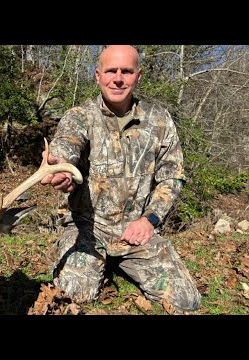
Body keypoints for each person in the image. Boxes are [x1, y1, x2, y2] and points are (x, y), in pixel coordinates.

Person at [40, 45, 201, 312]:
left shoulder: (158, 119)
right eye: (110, 71)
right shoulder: (80, 117)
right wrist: (61, 167)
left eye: (126, 71)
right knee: (73, 295)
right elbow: (67, 145)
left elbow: (172, 176)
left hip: (136, 232)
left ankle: (122, 262)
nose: (118, 78)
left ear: (138, 76)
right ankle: (93, 261)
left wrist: (149, 220)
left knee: (187, 300)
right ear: (97, 75)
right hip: (88, 228)